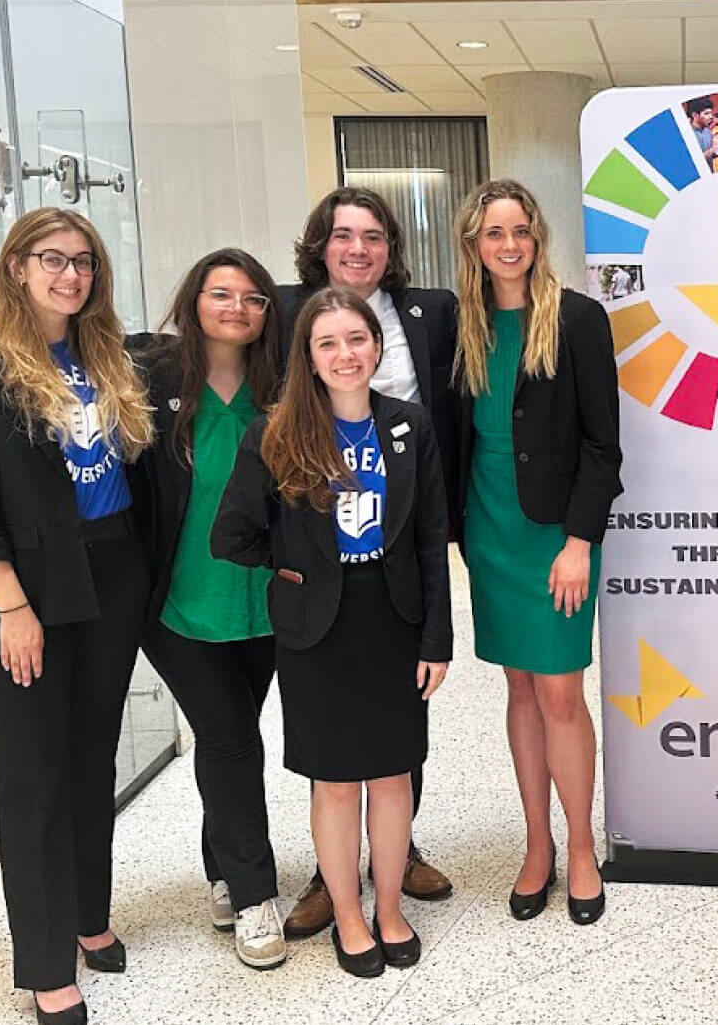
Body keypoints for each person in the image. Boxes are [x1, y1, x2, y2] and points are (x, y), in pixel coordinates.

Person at [0, 207, 154, 1025]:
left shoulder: (111, 358)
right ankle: (47, 963)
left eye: (84, 261)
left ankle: (89, 917)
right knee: (35, 776)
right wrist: (10, 607)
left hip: (114, 571)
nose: (71, 275)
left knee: (94, 759)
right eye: (52, 259)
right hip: (24, 590)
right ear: (16, 267)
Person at [211, 288, 452, 977]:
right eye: (328, 343)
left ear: (376, 347)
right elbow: (230, 535)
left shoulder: (409, 426)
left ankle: (389, 910)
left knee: (395, 771)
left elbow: (432, 537)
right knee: (338, 781)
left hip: (396, 616)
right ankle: (348, 913)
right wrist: (297, 566)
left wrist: (438, 639)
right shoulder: (277, 432)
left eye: (357, 339)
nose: (345, 354)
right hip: (318, 626)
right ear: (308, 357)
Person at [277, 185, 458, 935]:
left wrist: (439, 628)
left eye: (374, 235)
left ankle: (395, 863)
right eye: (344, 235)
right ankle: (334, 882)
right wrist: (293, 565)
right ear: (321, 244)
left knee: (392, 751)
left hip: (397, 566)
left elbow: (452, 415)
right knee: (333, 762)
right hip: (322, 589)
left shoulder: (429, 314)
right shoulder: (290, 326)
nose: (359, 248)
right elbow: (249, 514)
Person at [452, 178, 622, 926]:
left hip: (556, 538)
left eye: (520, 230)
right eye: (495, 234)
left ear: (537, 237)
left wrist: (580, 541)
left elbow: (602, 444)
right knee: (519, 690)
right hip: (489, 533)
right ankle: (536, 846)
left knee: (559, 692)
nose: (509, 245)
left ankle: (581, 848)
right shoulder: (462, 326)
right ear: (474, 245)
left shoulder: (578, 319)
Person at [130, 249, 288, 969]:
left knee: (232, 733)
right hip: (181, 602)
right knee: (229, 740)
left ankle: (222, 869)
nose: (237, 308)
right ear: (194, 300)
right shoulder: (151, 381)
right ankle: (257, 896)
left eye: (253, 298)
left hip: (263, 598)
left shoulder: (283, 385)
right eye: (221, 293)